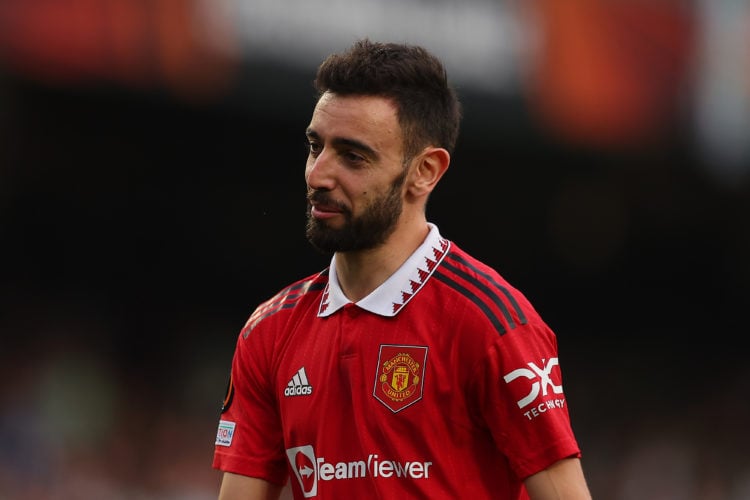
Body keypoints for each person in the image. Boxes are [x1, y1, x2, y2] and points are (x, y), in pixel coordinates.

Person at [213, 38, 592, 500]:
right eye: (316, 146)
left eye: (353, 156)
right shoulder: (269, 332)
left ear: (425, 171)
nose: (319, 174)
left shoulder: (491, 325)